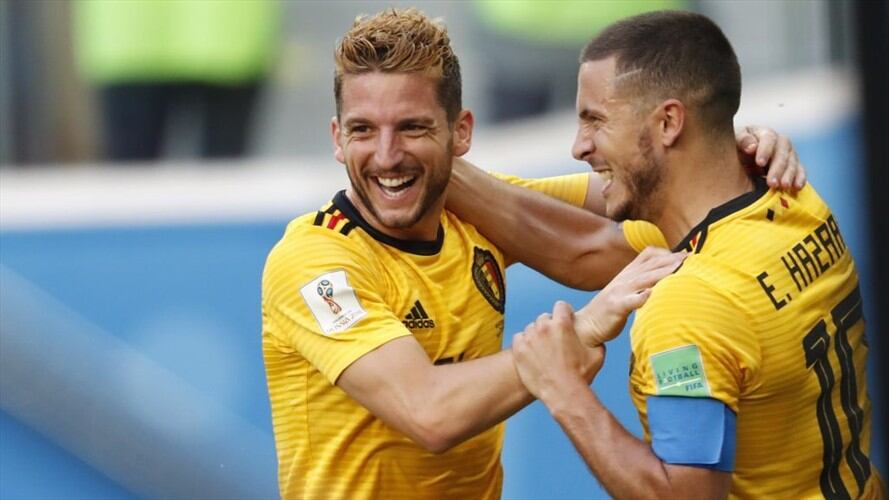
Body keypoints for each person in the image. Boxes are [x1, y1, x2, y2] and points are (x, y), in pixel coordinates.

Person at [261, 8, 802, 499]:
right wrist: (579, 335)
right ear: (336, 137)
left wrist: (737, 153)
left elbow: (662, 192)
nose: (386, 155)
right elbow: (427, 412)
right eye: (362, 131)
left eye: (413, 128)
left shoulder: (474, 219)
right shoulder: (315, 263)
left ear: (461, 133)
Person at [448, 10, 886, 499]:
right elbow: (577, 246)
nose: (578, 146)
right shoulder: (792, 198)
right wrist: (425, 163)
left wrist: (563, 390)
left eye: (595, 120)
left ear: (669, 122)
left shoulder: (689, 307)